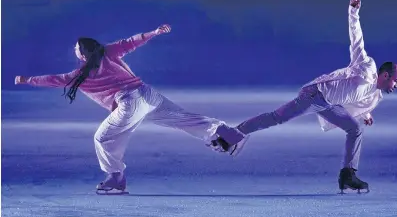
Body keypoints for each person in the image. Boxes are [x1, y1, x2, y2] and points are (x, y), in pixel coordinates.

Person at [15, 24, 249, 194]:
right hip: (148, 94)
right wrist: (154, 33)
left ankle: (116, 177)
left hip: (130, 102)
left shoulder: (80, 73)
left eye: (77, 48)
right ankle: (226, 134)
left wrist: (26, 80)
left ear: (83, 52)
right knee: (181, 118)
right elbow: (130, 42)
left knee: (102, 137)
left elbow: (56, 79)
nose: (75, 51)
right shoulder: (106, 53)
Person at [212, 0, 397, 193]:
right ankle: (229, 136)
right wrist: (353, 13)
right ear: (385, 75)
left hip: (329, 105)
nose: (396, 85)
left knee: (355, 129)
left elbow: (358, 100)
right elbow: (357, 42)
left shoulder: (376, 95)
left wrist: (366, 115)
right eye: (396, 81)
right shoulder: (366, 66)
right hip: (315, 95)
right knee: (276, 118)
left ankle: (348, 175)